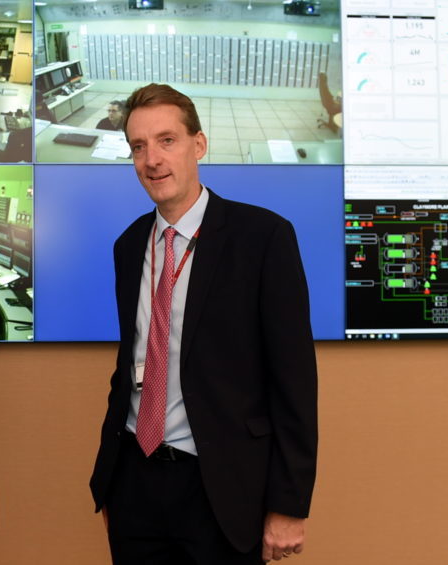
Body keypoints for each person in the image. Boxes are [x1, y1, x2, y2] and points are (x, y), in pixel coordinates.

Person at [89, 83, 318, 564]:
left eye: (167, 140)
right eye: (138, 146)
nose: (152, 159)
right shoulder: (129, 245)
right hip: (135, 482)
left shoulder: (263, 237)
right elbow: (132, 361)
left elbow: (294, 381)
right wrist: (112, 479)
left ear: (199, 144)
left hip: (220, 488)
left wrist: (289, 504)